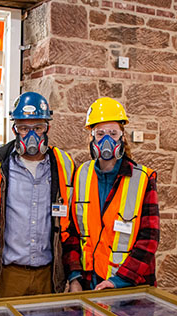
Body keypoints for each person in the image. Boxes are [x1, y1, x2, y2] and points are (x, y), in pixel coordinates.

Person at [0, 92, 79, 298]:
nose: (31, 135)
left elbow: (74, 224)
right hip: (8, 274)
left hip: (49, 274)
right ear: (14, 130)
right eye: (24, 128)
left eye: (38, 128)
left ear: (47, 129)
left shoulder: (65, 164)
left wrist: (72, 275)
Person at [68, 97, 159, 292]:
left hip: (128, 284)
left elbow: (149, 238)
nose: (107, 139)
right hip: (89, 280)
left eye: (113, 133)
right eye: (100, 133)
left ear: (122, 137)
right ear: (92, 137)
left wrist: (119, 280)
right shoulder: (81, 175)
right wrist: (74, 276)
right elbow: (73, 233)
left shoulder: (142, 179)